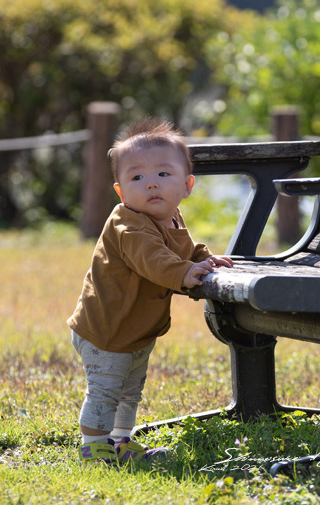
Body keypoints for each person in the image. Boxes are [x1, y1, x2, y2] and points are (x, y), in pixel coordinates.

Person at [67, 117, 233, 468]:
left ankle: (121, 442)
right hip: (107, 329)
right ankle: (93, 450)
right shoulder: (128, 224)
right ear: (121, 191)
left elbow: (182, 248)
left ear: (187, 185)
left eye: (163, 174)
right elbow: (154, 259)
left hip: (138, 328)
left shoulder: (171, 217)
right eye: (137, 177)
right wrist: (185, 272)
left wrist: (202, 258)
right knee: (106, 391)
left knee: (131, 390)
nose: (151, 185)